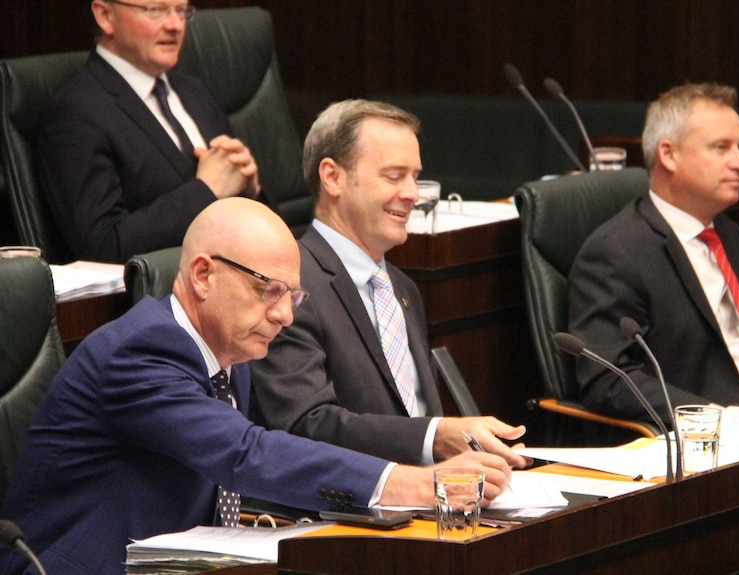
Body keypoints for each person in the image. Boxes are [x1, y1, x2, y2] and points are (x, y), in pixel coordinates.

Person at [0, 198, 510, 575]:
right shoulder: (141, 350)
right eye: (269, 291)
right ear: (203, 275)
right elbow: (246, 453)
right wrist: (419, 483)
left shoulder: (230, 352)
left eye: (293, 295)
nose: (285, 315)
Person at [249, 99, 529, 468]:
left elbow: (411, 416)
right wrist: (435, 437)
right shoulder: (292, 286)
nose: (413, 193)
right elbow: (303, 425)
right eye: (394, 176)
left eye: (415, 176)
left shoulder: (401, 288)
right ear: (332, 177)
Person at [568, 82, 739, 424]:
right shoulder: (615, 253)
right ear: (669, 154)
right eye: (721, 148)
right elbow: (608, 379)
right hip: (717, 440)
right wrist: (714, 420)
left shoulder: (727, 234)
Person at [36, 0, 263, 263]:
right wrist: (206, 190)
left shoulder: (196, 92)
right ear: (105, 15)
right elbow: (104, 246)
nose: (175, 25)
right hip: (153, 298)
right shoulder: (76, 112)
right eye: (155, 10)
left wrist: (249, 188)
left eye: (181, 10)